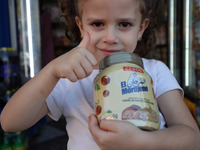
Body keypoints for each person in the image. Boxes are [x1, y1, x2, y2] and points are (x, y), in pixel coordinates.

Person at [1, 0, 200, 149]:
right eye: (97, 24)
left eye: (124, 24)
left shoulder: (155, 72)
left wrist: (142, 141)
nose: (111, 38)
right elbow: (10, 122)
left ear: (141, 28)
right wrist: (51, 71)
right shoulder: (70, 78)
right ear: (81, 26)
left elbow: (192, 138)